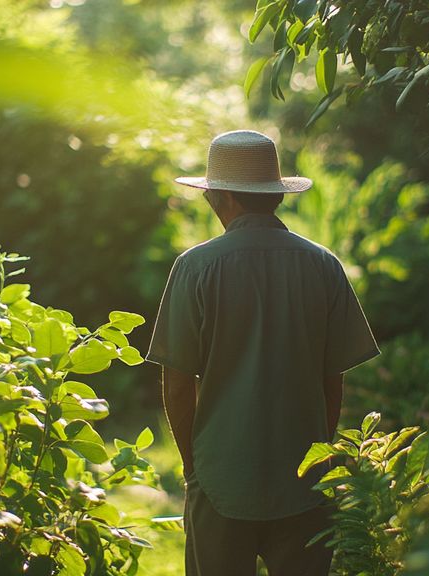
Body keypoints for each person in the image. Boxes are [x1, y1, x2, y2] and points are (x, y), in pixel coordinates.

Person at [146, 130, 380, 576]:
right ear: (274, 195)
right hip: (303, 480)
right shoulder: (323, 265)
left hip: (219, 476)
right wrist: (319, 451)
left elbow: (177, 385)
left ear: (222, 197)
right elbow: (334, 379)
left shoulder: (196, 267)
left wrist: (194, 470)